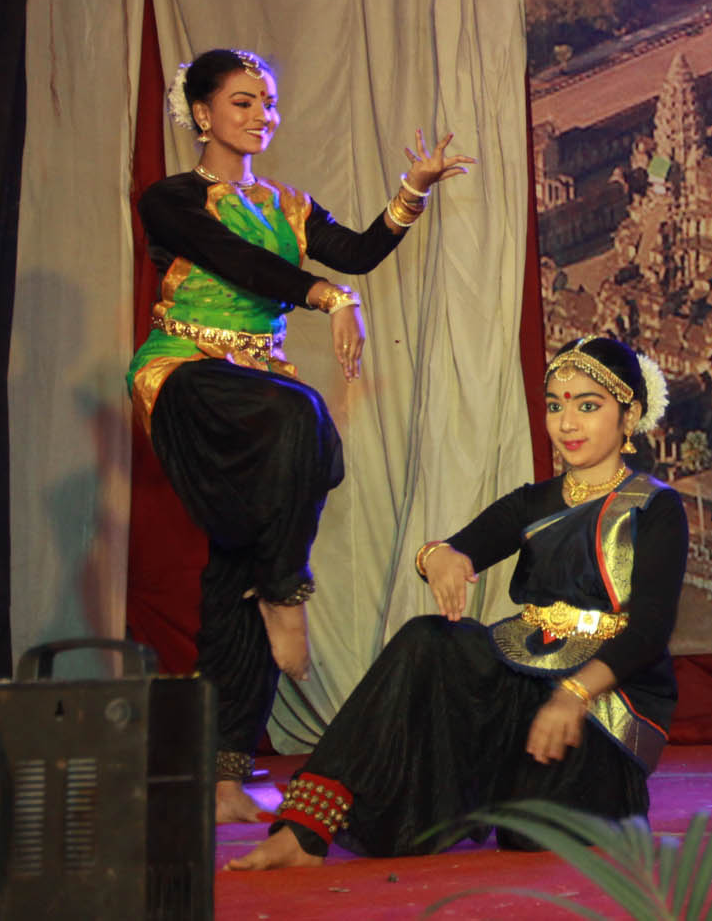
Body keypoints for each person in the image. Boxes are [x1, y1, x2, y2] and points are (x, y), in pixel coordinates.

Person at [127, 48, 472, 824]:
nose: (262, 116)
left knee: (237, 561)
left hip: (257, 383)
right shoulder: (171, 199)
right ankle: (286, 590)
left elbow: (356, 251)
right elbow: (235, 261)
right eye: (243, 102)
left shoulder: (287, 204)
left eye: (269, 102)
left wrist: (412, 190)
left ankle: (224, 775)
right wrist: (326, 297)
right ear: (203, 114)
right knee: (303, 416)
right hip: (187, 377)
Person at [229, 335, 687, 870]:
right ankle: (305, 830)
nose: (567, 424)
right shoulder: (534, 501)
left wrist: (573, 695)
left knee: (532, 834)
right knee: (429, 639)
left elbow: (650, 629)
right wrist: (438, 557)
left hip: (605, 706)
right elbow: (459, 548)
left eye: (588, 406)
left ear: (629, 415)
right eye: (555, 406)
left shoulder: (655, 507)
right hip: (528, 677)